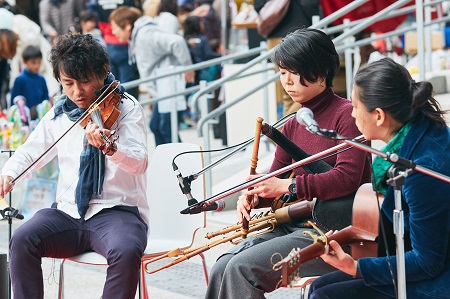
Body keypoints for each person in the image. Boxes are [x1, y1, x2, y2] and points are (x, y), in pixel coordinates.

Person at [204, 28, 372, 299]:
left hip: (335, 237)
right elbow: (276, 185)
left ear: (321, 72)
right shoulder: (294, 123)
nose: (287, 82)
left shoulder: (347, 115)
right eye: (283, 73)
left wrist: (287, 185)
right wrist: (255, 198)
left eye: (295, 73)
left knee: (242, 268)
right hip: (293, 227)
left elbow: (347, 179)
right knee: (223, 264)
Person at [2, 33, 149, 299]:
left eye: (84, 81)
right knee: (23, 239)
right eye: (68, 83)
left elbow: (140, 163)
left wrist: (111, 148)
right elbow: (31, 151)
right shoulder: (60, 113)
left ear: (103, 71)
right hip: (68, 212)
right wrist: (9, 173)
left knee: (126, 249)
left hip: (116, 212)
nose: (77, 92)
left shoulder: (127, 108)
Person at [309, 58, 450, 298]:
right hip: (421, 259)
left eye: (355, 106)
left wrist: (355, 267)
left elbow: (427, 262)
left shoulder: (423, 169)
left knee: (324, 295)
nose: (352, 114)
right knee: (318, 287)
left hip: (438, 279)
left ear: (378, 116)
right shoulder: (421, 127)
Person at [109, 5, 194, 146]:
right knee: (156, 126)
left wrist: (188, 69)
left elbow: (176, 42)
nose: (113, 31)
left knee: (167, 129)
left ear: (127, 25)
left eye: (115, 26)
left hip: (170, 86)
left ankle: (185, 165)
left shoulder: (145, 35)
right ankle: (168, 163)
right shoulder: (138, 36)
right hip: (162, 88)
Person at [254, 0, 320, 117]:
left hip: (276, 35)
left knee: (285, 90)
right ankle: (286, 126)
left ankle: (284, 125)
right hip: (301, 34)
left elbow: (258, 6)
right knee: (305, 86)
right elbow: (310, 4)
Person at [10, 45, 49, 120]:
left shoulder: (41, 79)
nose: (37, 66)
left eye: (39, 62)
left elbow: (45, 99)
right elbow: (14, 103)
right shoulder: (19, 79)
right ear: (25, 62)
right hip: (24, 119)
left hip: (40, 117)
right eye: (33, 63)